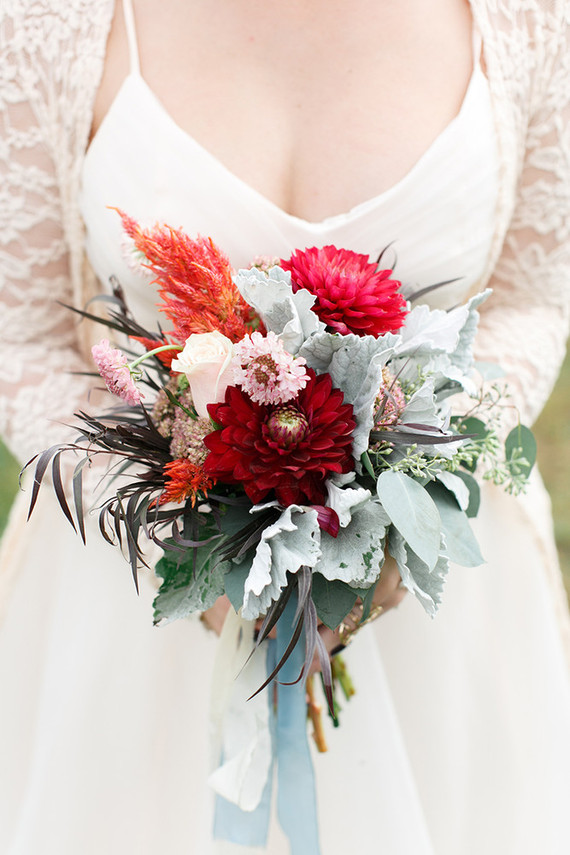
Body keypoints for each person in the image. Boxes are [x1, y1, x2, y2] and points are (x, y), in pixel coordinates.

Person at [1, 1, 569, 853]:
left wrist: (401, 516)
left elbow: (530, 301)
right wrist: (182, 546)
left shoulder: (530, 19)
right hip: (132, 609)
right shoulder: (53, 21)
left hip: (437, 612)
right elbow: (23, 335)